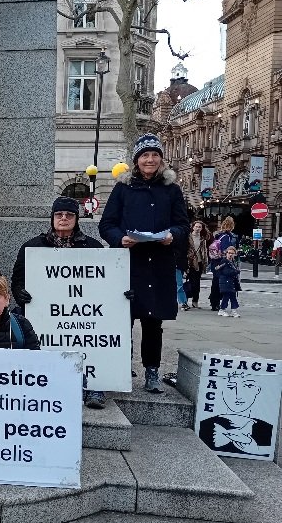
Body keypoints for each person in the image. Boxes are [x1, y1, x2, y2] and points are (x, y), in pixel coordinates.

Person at [98, 133, 189, 394]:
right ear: (136, 160)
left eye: (154, 155)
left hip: (158, 263)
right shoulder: (123, 188)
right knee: (121, 320)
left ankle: (152, 371)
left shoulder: (171, 189)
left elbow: (182, 224)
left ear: (161, 159)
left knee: (153, 322)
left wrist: (173, 235)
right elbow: (107, 225)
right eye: (145, 155)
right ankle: (119, 366)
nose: (150, 160)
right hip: (128, 264)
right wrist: (120, 238)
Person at [10, 196, 105, 407]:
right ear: (52, 218)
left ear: (77, 218)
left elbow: (106, 280)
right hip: (43, 312)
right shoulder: (33, 246)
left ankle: (94, 387)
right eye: (59, 214)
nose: (64, 218)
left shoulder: (93, 247)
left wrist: (119, 295)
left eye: (69, 215)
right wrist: (20, 294)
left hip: (82, 312)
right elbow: (17, 279)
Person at [208, 216, 238, 311]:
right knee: (220, 283)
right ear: (232, 226)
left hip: (215, 262)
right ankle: (215, 302)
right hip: (221, 263)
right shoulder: (227, 237)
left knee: (215, 282)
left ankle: (214, 301)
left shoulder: (218, 235)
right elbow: (226, 251)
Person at [186, 221, 211, 308]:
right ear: (193, 227)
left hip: (200, 262)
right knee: (190, 282)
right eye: (196, 226)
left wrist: (206, 261)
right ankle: (185, 300)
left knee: (196, 283)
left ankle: (195, 300)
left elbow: (205, 250)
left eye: (199, 227)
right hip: (190, 262)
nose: (197, 228)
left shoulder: (203, 238)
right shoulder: (188, 237)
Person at [216, 246, 241, 318]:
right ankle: (222, 309)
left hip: (231, 282)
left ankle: (234, 310)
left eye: (232, 253)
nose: (230, 255)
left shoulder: (232, 262)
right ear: (226, 253)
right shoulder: (224, 262)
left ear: (235, 254)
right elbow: (226, 272)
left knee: (233, 297)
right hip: (225, 282)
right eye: (229, 253)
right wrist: (236, 271)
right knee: (226, 296)